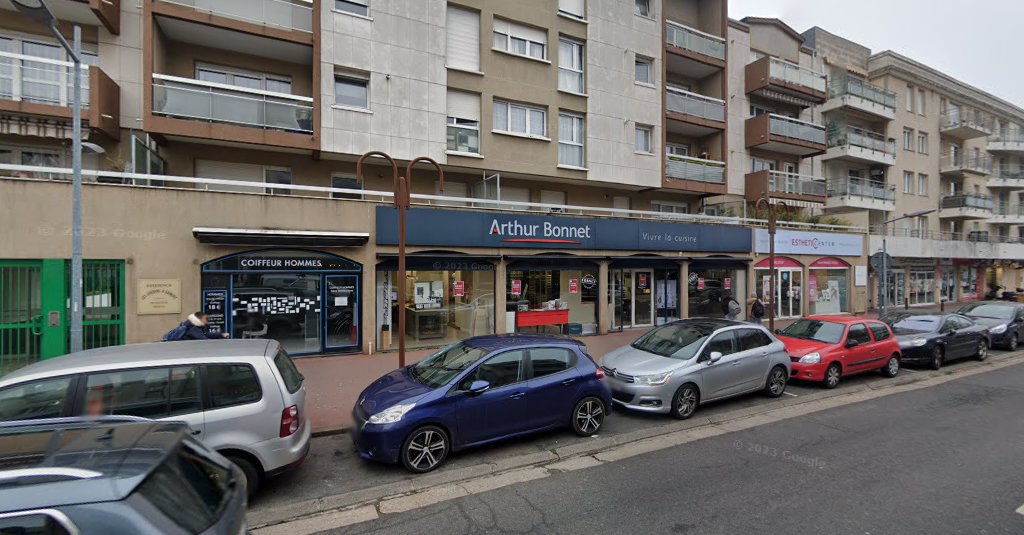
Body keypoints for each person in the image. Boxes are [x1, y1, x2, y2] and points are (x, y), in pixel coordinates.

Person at [164, 311, 229, 341]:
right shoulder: (193, 328)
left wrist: (220, 334)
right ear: (200, 319)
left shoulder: (194, 326)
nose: (207, 321)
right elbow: (204, 340)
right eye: (206, 319)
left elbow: (206, 334)